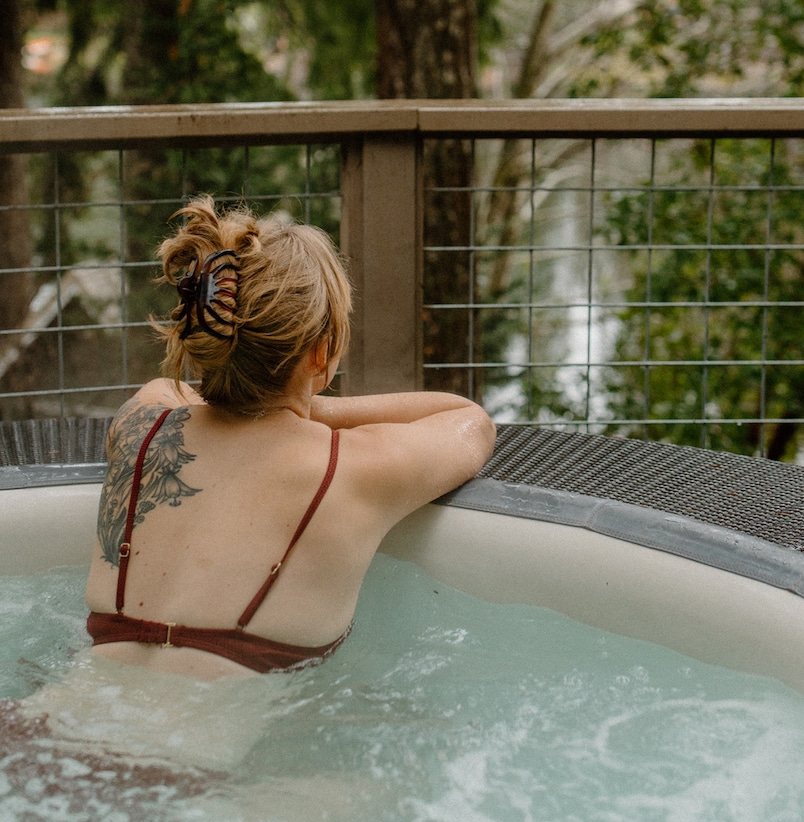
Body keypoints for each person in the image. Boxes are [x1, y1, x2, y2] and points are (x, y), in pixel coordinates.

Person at [82, 196, 496, 684]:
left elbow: (180, 391)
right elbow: (467, 419)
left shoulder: (142, 420)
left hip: (36, 729)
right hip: (181, 761)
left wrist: (258, 387)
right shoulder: (355, 469)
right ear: (321, 354)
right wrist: (307, 407)